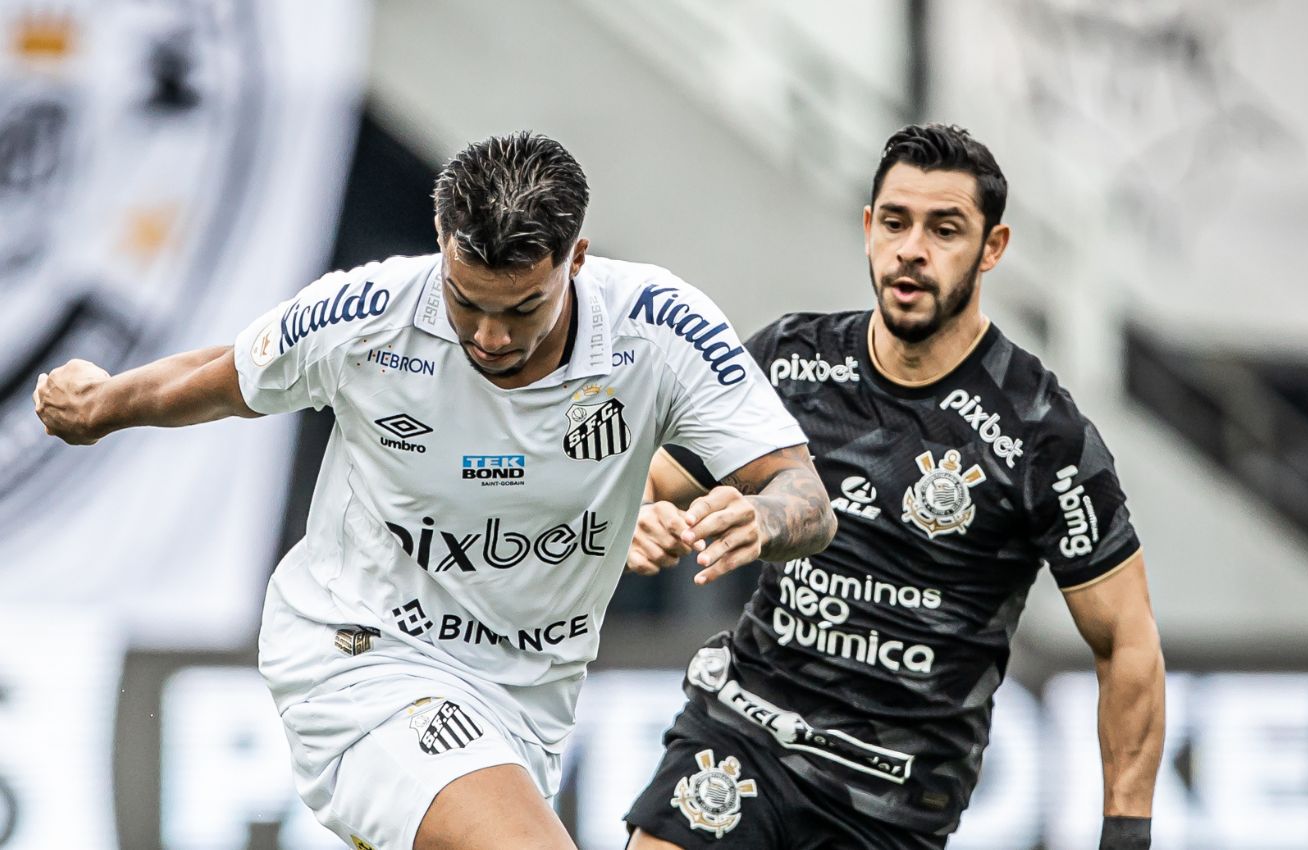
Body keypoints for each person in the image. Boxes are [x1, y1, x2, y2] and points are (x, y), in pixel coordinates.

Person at [32, 131, 836, 850]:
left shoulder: (661, 328)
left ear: (577, 260)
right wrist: (102, 406)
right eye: (466, 302)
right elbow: (224, 374)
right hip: (359, 657)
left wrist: (765, 515)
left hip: (529, 699)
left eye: (523, 308)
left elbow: (805, 495)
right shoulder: (369, 312)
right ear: (442, 247)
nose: (489, 337)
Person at [624, 124, 1165, 850]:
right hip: (741, 735)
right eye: (896, 222)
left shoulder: (1045, 434)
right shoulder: (790, 358)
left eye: (945, 229)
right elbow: (655, 482)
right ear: (869, 228)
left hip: (891, 800)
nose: (913, 248)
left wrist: (1126, 834)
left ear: (992, 249)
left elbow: (1126, 640)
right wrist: (640, 516)